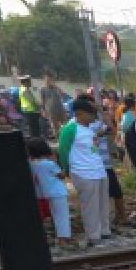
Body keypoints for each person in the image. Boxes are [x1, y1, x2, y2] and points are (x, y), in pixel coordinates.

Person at [58, 97, 110, 245]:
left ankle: (104, 231)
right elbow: (63, 150)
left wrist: (101, 111)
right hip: (83, 172)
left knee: (102, 203)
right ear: (80, 113)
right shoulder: (70, 129)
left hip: (98, 170)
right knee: (90, 206)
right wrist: (65, 169)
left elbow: (109, 129)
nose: (94, 117)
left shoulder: (89, 128)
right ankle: (93, 235)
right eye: (91, 114)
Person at [28, 136, 73, 248]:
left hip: (42, 193)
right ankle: (63, 240)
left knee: (51, 215)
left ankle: (53, 239)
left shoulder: (31, 164)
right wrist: (57, 163)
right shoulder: (49, 164)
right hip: (57, 192)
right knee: (61, 215)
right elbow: (61, 175)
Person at [40, 72, 68, 137]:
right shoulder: (42, 89)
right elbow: (42, 101)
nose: (48, 81)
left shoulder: (56, 88)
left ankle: (66, 138)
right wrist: (43, 111)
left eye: (49, 80)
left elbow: (63, 95)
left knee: (66, 125)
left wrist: (56, 86)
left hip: (60, 109)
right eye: (46, 80)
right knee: (55, 127)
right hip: (51, 111)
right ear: (44, 80)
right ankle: (58, 140)